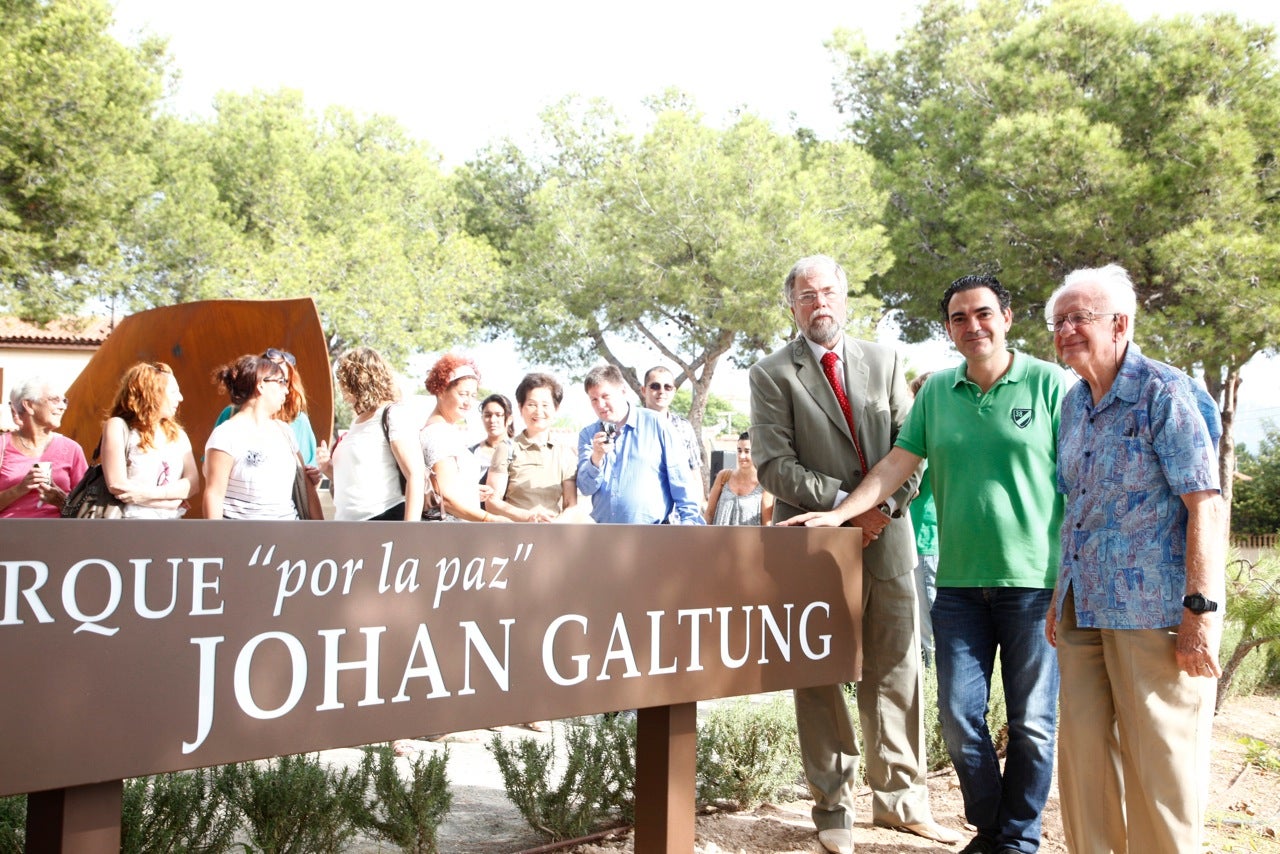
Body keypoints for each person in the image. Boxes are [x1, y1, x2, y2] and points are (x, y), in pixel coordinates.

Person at [783, 274, 1066, 854]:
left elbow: (1082, 478)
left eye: (983, 314)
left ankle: (1015, 842)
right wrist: (841, 515)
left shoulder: (1049, 384)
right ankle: (994, 830)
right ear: (948, 329)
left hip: (1034, 585)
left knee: (1033, 727)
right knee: (961, 725)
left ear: (1007, 318)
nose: (973, 326)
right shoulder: (937, 392)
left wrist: (1076, 574)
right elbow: (896, 464)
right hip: (960, 588)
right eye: (959, 318)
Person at [749, 254, 959, 854]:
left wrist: (880, 511)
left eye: (829, 292)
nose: (820, 303)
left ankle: (900, 804)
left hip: (889, 540)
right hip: (812, 548)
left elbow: (910, 449)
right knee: (818, 677)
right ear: (792, 306)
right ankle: (833, 809)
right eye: (807, 295)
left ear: (845, 298)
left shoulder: (888, 360)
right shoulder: (771, 374)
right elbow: (772, 465)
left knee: (898, 674)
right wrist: (847, 507)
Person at [1043, 263, 1224, 854]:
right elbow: (1078, 509)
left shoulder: (1164, 392)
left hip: (1155, 613)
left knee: (1161, 776)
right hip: (1083, 609)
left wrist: (1200, 611)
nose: (1065, 329)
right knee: (1083, 769)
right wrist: (1057, 597)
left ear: (1120, 324)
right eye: (1058, 320)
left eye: (1079, 318)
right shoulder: (1073, 404)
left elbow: (1206, 505)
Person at [576, 364, 703, 525]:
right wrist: (596, 458)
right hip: (604, 535)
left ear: (622, 391)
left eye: (605, 396)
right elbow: (585, 488)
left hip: (653, 535)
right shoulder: (588, 435)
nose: (600, 405)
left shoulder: (658, 425)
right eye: (594, 399)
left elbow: (682, 483)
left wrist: (690, 526)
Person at [204, 355, 320, 520]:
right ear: (260, 385)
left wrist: (320, 534)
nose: (286, 390)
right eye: (281, 382)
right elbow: (214, 494)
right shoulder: (226, 434)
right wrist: (217, 543)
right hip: (243, 540)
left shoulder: (285, 431)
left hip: (289, 538)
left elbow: (307, 489)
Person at [318, 347, 425, 521]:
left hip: (382, 519)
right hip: (347, 525)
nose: (340, 386)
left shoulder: (393, 414)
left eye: (342, 379)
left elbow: (415, 475)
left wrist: (409, 533)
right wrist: (327, 467)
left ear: (357, 380)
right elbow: (356, 478)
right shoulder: (357, 421)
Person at [100, 362, 200, 519]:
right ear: (153, 393)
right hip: (128, 525)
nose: (180, 398)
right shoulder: (118, 426)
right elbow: (117, 486)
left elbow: (192, 483)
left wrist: (144, 495)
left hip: (170, 525)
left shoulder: (178, 435)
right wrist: (170, 501)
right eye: (174, 392)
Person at [485, 373, 579, 524]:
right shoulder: (507, 448)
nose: (538, 411)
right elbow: (491, 502)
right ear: (521, 408)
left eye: (545, 405)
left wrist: (555, 525)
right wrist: (527, 517)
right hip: (515, 537)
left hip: (552, 536)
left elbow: (571, 505)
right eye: (532, 404)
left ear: (556, 409)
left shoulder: (565, 453)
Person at [420, 353, 497, 523]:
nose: (468, 402)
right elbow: (445, 498)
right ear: (441, 390)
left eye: (473, 395)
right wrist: (489, 519)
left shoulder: (444, 430)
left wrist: (470, 491)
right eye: (463, 394)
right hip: (449, 537)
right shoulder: (439, 433)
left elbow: (441, 487)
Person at [213, 347, 318, 465]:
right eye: (279, 381)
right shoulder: (230, 418)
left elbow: (308, 472)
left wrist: (314, 477)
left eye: (285, 381)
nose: (285, 389)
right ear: (259, 382)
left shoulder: (296, 422)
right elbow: (212, 470)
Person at [0, 377, 87, 518]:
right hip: (8, 534)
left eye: (64, 401)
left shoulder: (71, 449)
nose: (63, 407)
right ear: (29, 405)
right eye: (55, 400)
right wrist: (19, 489)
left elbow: (86, 508)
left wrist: (62, 501)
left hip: (56, 535)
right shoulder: (2, 445)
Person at [906, 372, 938, 665]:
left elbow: (910, 490)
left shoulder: (925, 442)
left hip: (925, 538)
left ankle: (933, 675)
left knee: (928, 616)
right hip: (928, 537)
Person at [642, 365, 705, 510]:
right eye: (655, 386)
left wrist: (695, 513)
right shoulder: (631, 426)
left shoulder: (684, 427)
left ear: (674, 391)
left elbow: (694, 473)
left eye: (667, 387)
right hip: (643, 517)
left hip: (678, 517)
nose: (661, 391)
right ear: (644, 390)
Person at [704, 431, 774, 526]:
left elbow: (767, 524)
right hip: (719, 539)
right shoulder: (724, 477)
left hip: (749, 540)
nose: (742, 456)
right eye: (739, 450)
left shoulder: (764, 484)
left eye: (747, 451)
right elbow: (709, 513)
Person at [472, 393, 514, 505]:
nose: (492, 420)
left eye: (499, 415)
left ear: (509, 419)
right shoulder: (471, 453)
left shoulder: (517, 451)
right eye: (487, 415)